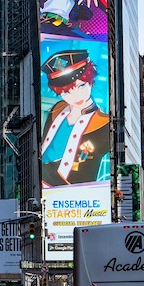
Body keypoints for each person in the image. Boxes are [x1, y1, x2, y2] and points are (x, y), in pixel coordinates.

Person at [39, 48, 111, 187]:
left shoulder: (104, 123)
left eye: (81, 85)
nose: (76, 96)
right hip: (41, 187)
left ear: (91, 81)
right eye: (66, 92)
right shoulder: (56, 110)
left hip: (74, 195)